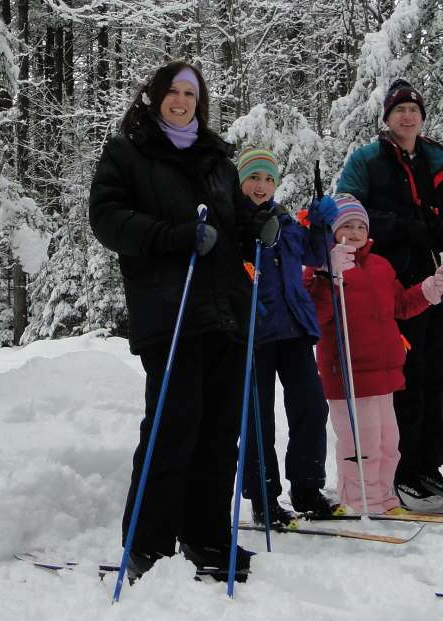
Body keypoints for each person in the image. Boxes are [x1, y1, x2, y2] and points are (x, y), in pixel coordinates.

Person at [88, 61, 279, 581]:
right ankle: (148, 543)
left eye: (190, 93)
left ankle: (209, 540)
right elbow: (105, 218)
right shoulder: (128, 151)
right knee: (174, 425)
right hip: (169, 311)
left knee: (220, 433)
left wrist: (257, 223)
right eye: (172, 91)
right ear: (154, 97)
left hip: (225, 313)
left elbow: (235, 218)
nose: (181, 100)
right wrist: (171, 236)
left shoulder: (215, 157)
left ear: (200, 101)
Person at [335, 78, 443, 512]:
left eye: (413, 110)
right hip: (391, 284)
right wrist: (401, 226)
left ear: (422, 117)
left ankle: (428, 467)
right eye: (399, 110)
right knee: (405, 378)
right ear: (387, 118)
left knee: (435, 376)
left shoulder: (439, 159)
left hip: (437, 280)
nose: (407, 116)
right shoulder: (367, 159)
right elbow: (347, 211)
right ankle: (399, 471)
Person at [304, 194, 443, 514]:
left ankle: (385, 498)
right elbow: (313, 316)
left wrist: (431, 288)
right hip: (346, 374)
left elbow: (401, 305)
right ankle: (359, 501)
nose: (356, 231)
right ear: (332, 230)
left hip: (384, 373)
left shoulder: (381, 266)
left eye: (361, 225)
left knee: (389, 446)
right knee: (362, 447)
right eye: (347, 225)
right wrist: (326, 277)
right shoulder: (321, 266)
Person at [235, 148, 333, 525]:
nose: (261, 186)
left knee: (311, 405)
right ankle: (263, 497)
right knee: (258, 418)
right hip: (254, 333)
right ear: (241, 181)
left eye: (268, 179)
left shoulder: (286, 221)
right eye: (254, 178)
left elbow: (316, 254)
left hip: (293, 329)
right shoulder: (234, 220)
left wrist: (323, 225)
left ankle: (308, 488)